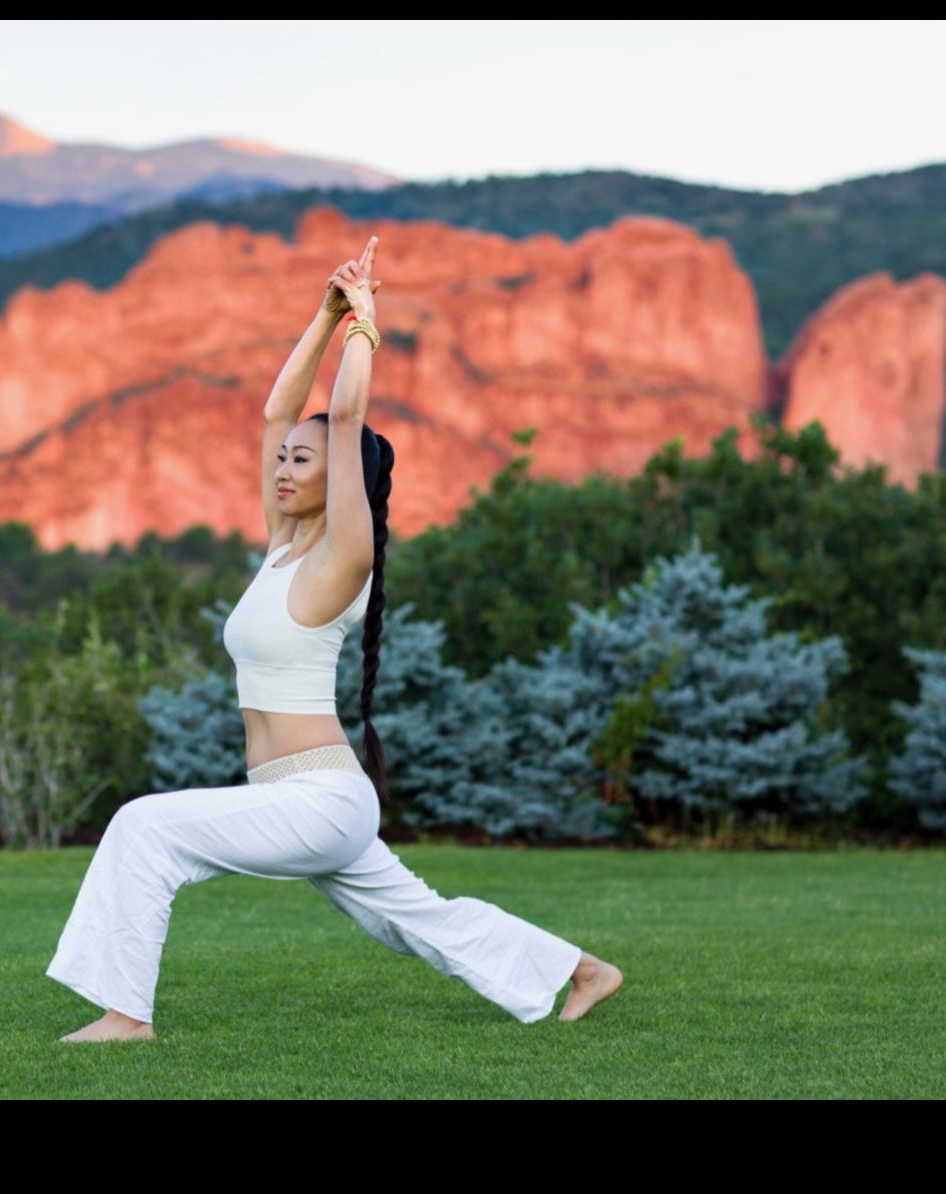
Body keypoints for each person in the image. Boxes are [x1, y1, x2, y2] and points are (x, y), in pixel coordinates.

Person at [47, 237, 622, 1041]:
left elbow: (343, 415)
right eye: (282, 461)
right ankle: (582, 969)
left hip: (318, 799)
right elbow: (277, 412)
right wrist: (323, 316)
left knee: (144, 826)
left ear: (341, 473)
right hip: (293, 798)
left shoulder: (342, 560)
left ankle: (124, 1016)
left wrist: (366, 326)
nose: (283, 466)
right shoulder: (282, 546)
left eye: (303, 461)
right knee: (413, 919)